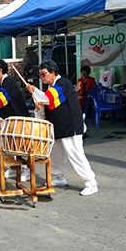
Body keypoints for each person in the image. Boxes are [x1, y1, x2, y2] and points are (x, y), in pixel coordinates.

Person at [27, 60, 99, 196]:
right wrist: (39, 107)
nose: (42, 78)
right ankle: (59, 177)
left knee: (75, 154)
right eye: (40, 75)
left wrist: (34, 91)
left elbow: (48, 98)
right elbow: (45, 106)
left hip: (70, 126)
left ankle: (91, 182)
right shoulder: (51, 88)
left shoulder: (63, 83)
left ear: (53, 72)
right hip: (58, 127)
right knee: (56, 153)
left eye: (44, 74)